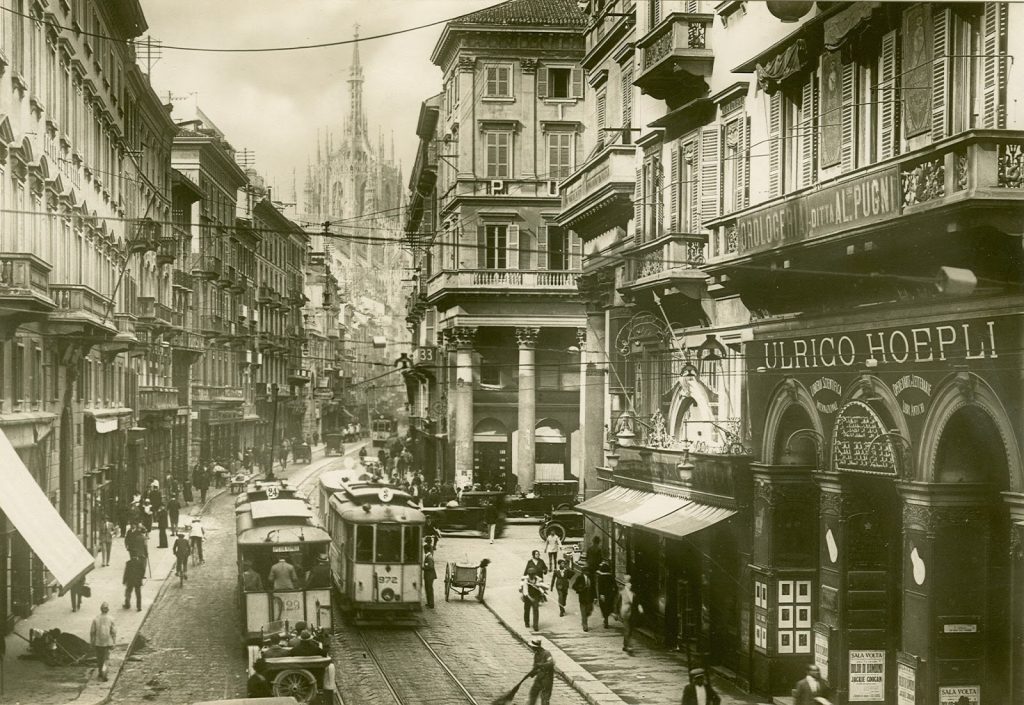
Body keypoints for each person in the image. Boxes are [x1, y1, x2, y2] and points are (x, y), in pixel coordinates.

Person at [89, 602, 116, 682]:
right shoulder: (111, 619)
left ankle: (101, 672)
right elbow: (113, 632)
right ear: (108, 610)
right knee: (106, 659)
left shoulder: (96, 619)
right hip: (107, 642)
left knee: (99, 658)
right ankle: (104, 674)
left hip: (98, 642)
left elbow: (92, 632)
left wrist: (92, 642)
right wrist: (114, 642)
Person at [617, 575, 643, 654]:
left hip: (632, 613)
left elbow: (636, 602)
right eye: (628, 583)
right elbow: (617, 603)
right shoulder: (621, 593)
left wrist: (639, 607)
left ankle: (625, 645)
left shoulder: (633, 594)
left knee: (630, 630)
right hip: (624, 613)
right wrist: (616, 613)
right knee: (627, 629)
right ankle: (629, 646)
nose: (629, 585)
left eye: (630, 583)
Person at [526, 637, 555, 705]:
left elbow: (551, 663)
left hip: (547, 679)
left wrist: (541, 665)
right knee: (533, 693)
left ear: (537, 647)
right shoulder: (536, 655)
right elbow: (535, 667)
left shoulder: (546, 653)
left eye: (533, 647)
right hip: (539, 678)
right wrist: (533, 672)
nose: (532, 648)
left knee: (545, 697)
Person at [569, 559, 594, 631]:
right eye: (586, 572)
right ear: (584, 572)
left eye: (588, 571)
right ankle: (585, 625)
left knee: (589, 610)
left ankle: (584, 620)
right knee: (583, 612)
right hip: (582, 597)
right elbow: (574, 586)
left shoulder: (591, 578)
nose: (588, 573)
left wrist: (595, 597)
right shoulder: (580, 578)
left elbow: (593, 588)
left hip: (590, 597)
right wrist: (580, 589)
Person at [596, 561, 617, 628]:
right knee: (609, 606)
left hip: (603, 594)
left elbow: (600, 587)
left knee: (603, 607)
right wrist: (614, 593)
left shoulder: (601, 577)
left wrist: (601, 594)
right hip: (610, 594)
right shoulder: (611, 576)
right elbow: (615, 586)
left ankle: (606, 620)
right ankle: (610, 615)